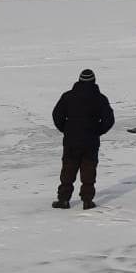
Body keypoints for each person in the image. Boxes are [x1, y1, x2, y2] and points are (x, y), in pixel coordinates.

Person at [52, 69, 115, 209]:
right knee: (89, 170)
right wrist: (97, 131)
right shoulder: (100, 98)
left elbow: (57, 115)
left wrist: (67, 129)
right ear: (94, 81)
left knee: (68, 169)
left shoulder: (68, 96)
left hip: (71, 140)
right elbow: (109, 120)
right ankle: (87, 200)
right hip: (90, 140)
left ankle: (63, 199)